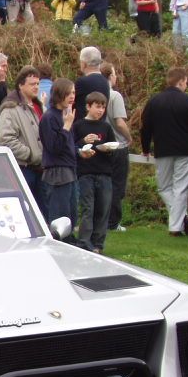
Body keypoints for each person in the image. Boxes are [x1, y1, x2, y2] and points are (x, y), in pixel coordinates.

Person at [140, 67, 188, 236]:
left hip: (163, 149)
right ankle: (180, 222)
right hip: (185, 150)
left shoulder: (154, 101)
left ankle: (177, 224)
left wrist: (146, 148)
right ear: (181, 81)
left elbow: (145, 127)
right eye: (186, 82)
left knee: (163, 187)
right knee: (180, 188)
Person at [72, 91, 117, 252]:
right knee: (88, 208)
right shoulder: (78, 125)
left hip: (104, 172)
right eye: (97, 107)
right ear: (88, 106)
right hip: (86, 173)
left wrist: (107, 149)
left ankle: (98, 243)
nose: (100, 110)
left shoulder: (105, 127)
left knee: (103, 209)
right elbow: (72, 146)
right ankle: (84, 242)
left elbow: (113, 147)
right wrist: (83, 142)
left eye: (103, 107)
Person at [0, 65, 45, 212]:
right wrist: (29, 154)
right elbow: (4, 138)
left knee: (42, 212)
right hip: (23, 168)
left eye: (37, 84)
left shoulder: (38, 106)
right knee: (26, 212)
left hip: (41, 168)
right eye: (32, 84)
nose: (36, 87)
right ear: (20, 85)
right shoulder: (10, 108)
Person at [39, 78, 78, 225]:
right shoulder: (49, 117)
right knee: (60, 219)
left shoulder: (65, 115)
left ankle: (72, 245)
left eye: (73, 92)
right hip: (57, 173)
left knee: (72, 216)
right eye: (68, 93)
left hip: (70, 170)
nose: (72, 96)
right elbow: (54, 147)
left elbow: (67, 145)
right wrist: (67, 126)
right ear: (59, 94)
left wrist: (79, 151)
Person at [100, 63, 132, 233]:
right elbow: (120, 122)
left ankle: (102, 219)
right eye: (114, 74)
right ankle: (113, 222)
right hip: (117, 145)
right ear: (109, 76)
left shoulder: (95, 95)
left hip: (101, 145)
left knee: (103, 184)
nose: (116, 77)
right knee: (117, 185)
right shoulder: (114, 95)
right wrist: (129, 137)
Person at [74, 46, 109, 121]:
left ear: (84, 64)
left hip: (83, 127)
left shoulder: (82, 82)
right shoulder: (105, 81)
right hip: (101, 126)